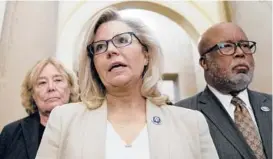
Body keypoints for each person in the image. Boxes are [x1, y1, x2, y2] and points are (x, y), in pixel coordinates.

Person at [35, 7, 218, 159]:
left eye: (122, 40)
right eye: (100, 47)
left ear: (146, 54)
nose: (111, 50)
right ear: (93, 65)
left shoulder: (191, 123)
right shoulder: (63, 120)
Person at [175, 22, 272, 159]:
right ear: (204, 62)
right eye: (227, 46)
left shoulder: (270, 104)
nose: (240, 53)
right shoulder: (182, 114)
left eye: (245, 45)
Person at [0, 57, 80, 159]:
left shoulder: (85, 129)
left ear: (70, 88)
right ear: (32, 93)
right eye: (42, 82)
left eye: (58, 80)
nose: (51, 87)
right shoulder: (11, 133)